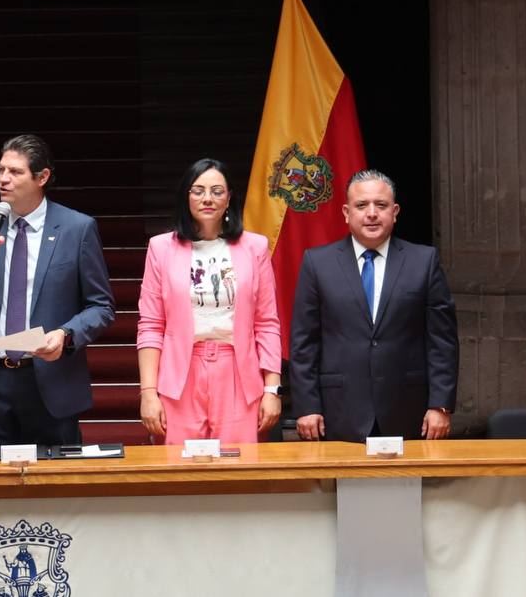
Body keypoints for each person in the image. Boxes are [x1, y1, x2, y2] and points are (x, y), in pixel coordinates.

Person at [0, 134, 114, 446]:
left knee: (57, 491)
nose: (3, 179)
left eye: (15, 172)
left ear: (42, 177)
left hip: (51, 381)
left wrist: (66, 334)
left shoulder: (77, 228)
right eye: (0, 170)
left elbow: (101, 306)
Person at [290, 169, 459, 442]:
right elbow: (304, 343)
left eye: (380, 205)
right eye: (361, 205)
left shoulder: (423, 261)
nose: (371, 213)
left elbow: (442, 341)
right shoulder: (317, 263)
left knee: (407, 486)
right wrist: (307, 406)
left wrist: (440, 405)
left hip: (409, 411)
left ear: (395, 211)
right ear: (346, 212)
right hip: (337, 412)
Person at [136, 158, 282, 444]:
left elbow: (267, 324)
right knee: (179, 470)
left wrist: (272, 390)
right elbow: (151, 326)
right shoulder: (161, 248)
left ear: (229, 198)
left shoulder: (255, 247)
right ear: (186, 197)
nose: (207, 198)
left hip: (238, 372)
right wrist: (149, 393)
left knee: (239, 468)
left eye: (217, 191)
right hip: (180, 373)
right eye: (198, 190)